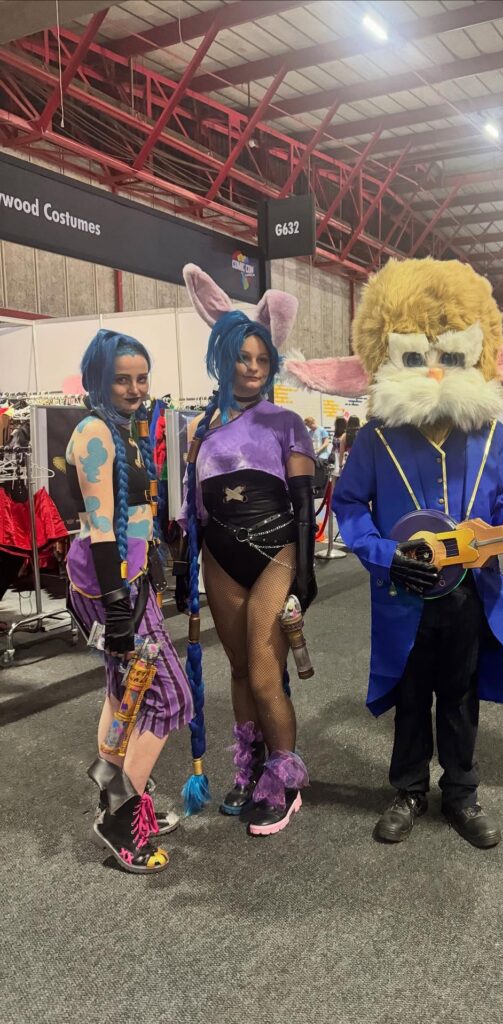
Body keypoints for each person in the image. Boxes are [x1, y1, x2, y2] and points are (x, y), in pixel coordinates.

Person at [331, 258, 503, 850]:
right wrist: (386, 555)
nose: (434, 367)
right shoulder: (376, 438)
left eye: (448, 351)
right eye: (419, 351)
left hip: (468, 593)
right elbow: (349, 505)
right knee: (411, 695)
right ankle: (408, 789)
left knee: (459, 696)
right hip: (403, 592)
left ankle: (461, 792)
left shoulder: (491, 435)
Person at [178, 264, 316, 836]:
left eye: (262, 359)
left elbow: (304, 504)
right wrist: (183, 561)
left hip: (276, 554)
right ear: (223, 358)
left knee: (264, 674)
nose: (254, 368)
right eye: (243, 358)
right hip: (219, 557)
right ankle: (250, 765)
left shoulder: (286, 423)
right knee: (238, 670)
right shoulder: (201, 428)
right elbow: (194, 506)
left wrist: (305, 570)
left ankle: (285, 780)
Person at [66, 329, 193, 874]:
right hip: (109, 583)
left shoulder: (123, 428)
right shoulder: (95, 432)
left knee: (124, 695)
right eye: (122, 379)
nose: (135, 389)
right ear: (99, 379)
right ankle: (122, 817)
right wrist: (119, 607)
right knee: (171, 698)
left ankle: (117, 799)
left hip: (130, 578)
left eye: (141, 378)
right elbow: (101, 530)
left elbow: (134, 518)